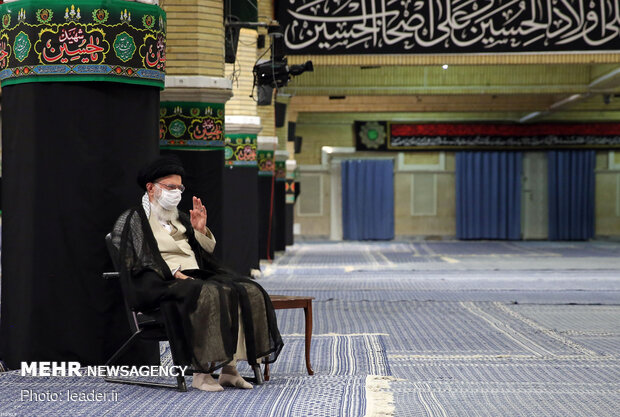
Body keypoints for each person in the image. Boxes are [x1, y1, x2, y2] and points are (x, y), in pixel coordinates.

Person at [110, 155, 283, 392]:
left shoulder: (179, 218)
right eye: (170, 187)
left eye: (179, 188)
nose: (177, 193)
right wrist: (174, 273)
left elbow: (203, 256)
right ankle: (201, 374)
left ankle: (229, 370)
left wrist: (200, 231)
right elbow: (136, 260)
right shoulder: (134, 219)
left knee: (246, 289)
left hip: (194, 277)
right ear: (151, 188)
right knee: (209, 292)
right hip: (160, 283)